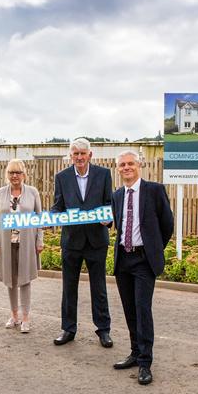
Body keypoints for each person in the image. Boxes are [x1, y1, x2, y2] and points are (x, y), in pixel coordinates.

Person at [111, 150, 173, 385]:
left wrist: (153, 249)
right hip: (123, 259)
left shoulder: (154, 190)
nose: (126, 167)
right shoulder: (117, 195)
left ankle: (146, 362)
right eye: (122, 165)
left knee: (142, 309)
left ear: (139, 166)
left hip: (144, 260)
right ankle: (135, 353)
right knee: (129, 309)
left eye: (130, 163)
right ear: (118, 169)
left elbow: (167, 224)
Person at [52, 138, 114, 348]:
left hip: (97, 240)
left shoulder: (104, 174)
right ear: (71, 156)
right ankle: (68, 329)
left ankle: (103, 330)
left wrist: (109, 218)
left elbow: (108, 203)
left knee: (99, 288)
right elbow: (58, 206)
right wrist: (48, 219)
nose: (79, 157)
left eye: (82, 153)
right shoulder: (62, 177)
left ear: (90, 155)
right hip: (71, 241)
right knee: (69, 288)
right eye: (75, 154)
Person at [0, 159, 44, 333]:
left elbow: (39, 218)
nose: (15, 176)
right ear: (7, 175)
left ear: (24, 174)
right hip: (6, 244)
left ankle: (26, 318)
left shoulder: (32, 192)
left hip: (27, 243)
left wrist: (39, 240)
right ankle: (14, 316)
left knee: (25, 280)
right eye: (11, 172)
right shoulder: (0, 193)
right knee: (10, 280)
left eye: (18, 172)